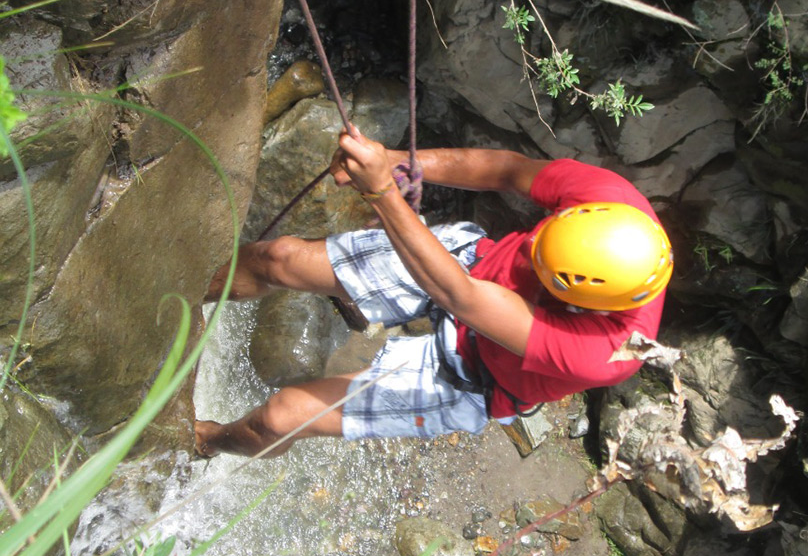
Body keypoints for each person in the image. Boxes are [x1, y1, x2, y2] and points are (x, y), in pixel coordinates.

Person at [194, 128, 673, 458]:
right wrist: (398, 162)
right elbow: (506, 170)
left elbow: (458, 297)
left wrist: (383, 191)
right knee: (281, 259)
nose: (532, 262)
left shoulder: (606, 352)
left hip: (475, 374)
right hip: (475, 264)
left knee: (281, 417)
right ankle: (183, 293)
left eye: (543, 273)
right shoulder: (612, 204)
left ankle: (203, 442)